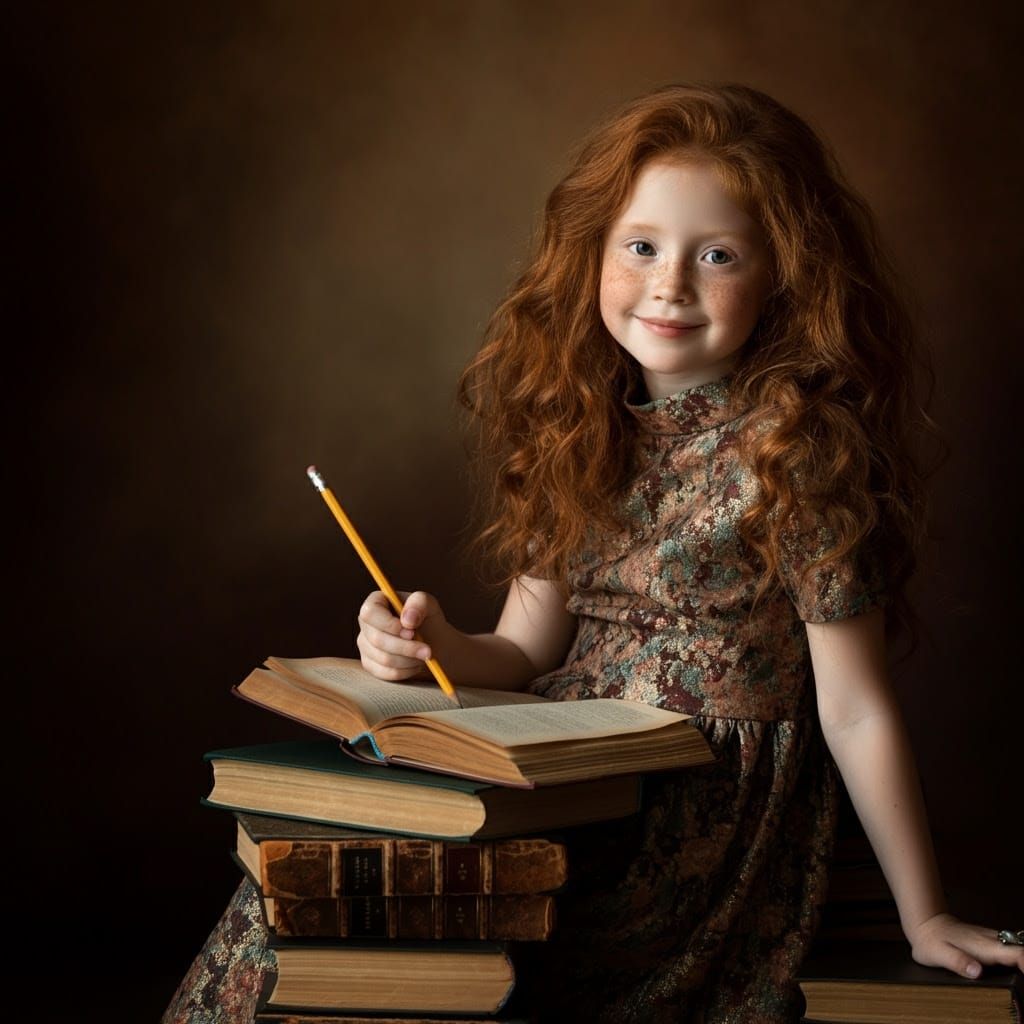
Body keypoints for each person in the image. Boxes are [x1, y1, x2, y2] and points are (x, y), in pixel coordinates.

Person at [162, 83, 1022, 1024]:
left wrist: (923, 914)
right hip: (563, 773)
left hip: (692, 811)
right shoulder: (577, 430)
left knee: (464, 937)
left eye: (717, 255)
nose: (670, 284)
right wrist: (434, 645)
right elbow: (523, 653)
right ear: (595, 255)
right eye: (641, 246)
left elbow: (854, 709)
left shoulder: (796, 453)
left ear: (785, 277)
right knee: (306, 894)